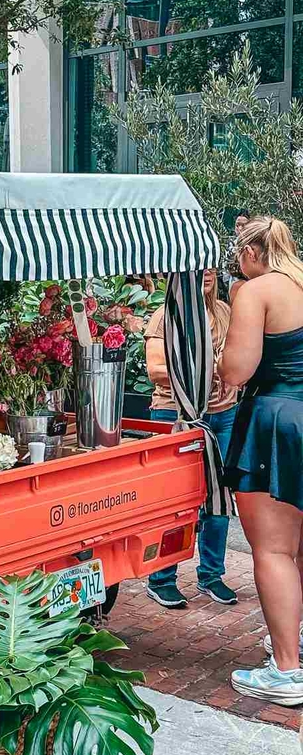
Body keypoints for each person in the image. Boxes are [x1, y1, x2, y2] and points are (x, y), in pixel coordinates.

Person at [219, 217, 303, 706]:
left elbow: (238, 369)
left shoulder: (256, 291)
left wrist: (218, 365)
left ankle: (288, 670)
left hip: (277, 419)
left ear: (251, 253)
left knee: (273, 550)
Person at [143, 268, 239, 608]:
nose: (207, 272)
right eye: (198, 267)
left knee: (219, 496)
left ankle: (211, 574)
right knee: (175, 501)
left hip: (222, 415)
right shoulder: (164, 317)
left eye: (211, 265)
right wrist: (204, 370)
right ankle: (161, 577)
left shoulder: (227, 313)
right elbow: (155, 369)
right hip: (177, 414)